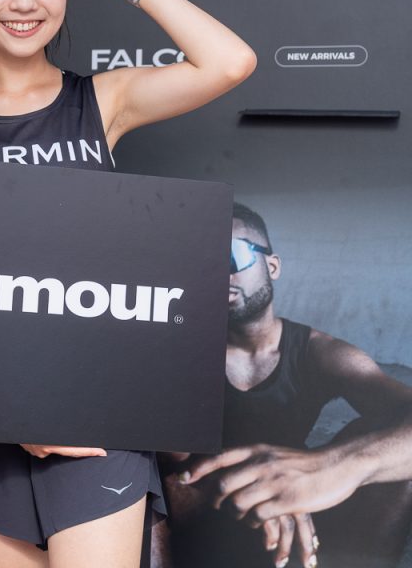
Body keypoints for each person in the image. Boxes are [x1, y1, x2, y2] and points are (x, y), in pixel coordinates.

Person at [0, 0, 257, 567]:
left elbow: (230, 62)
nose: (24, 1)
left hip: (94, 405)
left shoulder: (100, 99)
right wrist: (8, 416)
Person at [152, 202, 412, 568]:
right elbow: (173, 459)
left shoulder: (322, 352)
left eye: (232, 255)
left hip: (303, 497)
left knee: (391, 451)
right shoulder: (181, 351)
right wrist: (262, 487)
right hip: (202, 505)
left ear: (272, 266)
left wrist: (330, 468)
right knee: (162, 468)